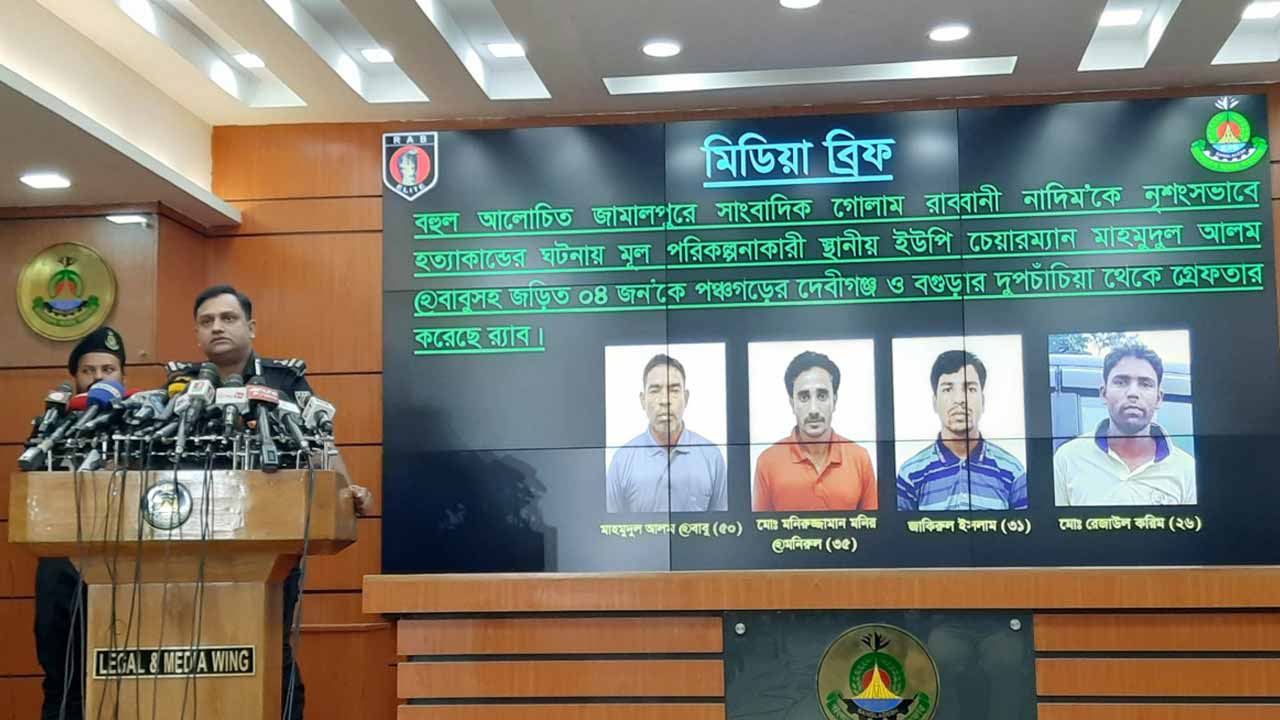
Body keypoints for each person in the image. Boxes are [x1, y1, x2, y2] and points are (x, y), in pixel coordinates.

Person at [175, 284, 374, 719]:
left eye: (228, 318)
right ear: (197, 334)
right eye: (207, 321)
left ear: (250, 327)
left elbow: (319, 443)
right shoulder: (181, 384)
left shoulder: (283, 380)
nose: (217, 327)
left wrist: (347, 490)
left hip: (267, 537)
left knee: (269, 645)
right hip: (190, 542)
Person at [32, 325, 126, 720]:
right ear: (75, 378)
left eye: (108, 369)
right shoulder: (53, 424)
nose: (98, 377)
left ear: (122, 376)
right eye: (89, 370)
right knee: (62, 675)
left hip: (125, 562)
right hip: (63, 562)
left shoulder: (144, 421)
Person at [1054, 341, 1196, 506]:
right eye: (1121, 382)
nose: (1133, 393)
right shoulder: (1068, 459)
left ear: (1158, 398)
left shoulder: (1186, 470)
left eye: (1145, 384)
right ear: (1103, 393)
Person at [896, 350, 1028, 511]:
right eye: (947, 389)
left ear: (983, 401)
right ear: (935, 402)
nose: (959, 400)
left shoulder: (1013, 471)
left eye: (970, 389)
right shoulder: (910, 474)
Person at [753, 350, 877, 511]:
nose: (813, 410)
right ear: (792, 403)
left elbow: (876, 525)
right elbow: (756, 526)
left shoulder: (859, 459)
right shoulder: (768, 462)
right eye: (804, 397)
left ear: (834, 400)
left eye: (822, 396)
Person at [606, 354, 727, 513]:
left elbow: (723, 524)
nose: (665, 400)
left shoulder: (712, 457)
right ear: (643, 400)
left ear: (686, 398)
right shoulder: (622, 461)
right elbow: (608, 525)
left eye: (674, 390)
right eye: (655, 390)